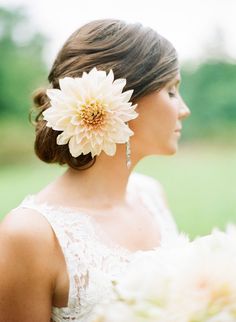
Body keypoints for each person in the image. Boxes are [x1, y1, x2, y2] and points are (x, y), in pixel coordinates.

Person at [0, 19, 190, 322]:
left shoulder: (152, 195)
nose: (184, 109)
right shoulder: (30, 234)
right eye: (170, 90)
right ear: (121, 100)